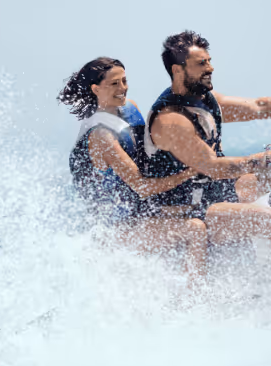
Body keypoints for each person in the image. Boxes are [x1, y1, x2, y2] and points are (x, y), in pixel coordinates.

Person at [144, 31, 271, 279]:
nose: (211, 68)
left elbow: (259, 107)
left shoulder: (205, 100)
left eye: (209, 60)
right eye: (201, 63)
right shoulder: (171, 120)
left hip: (215, 192)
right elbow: (214, 167)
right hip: (187, 210)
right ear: (178, 70)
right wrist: (267, 157)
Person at [58, 57, 209, 286]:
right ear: (96, 89)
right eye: (114, 84)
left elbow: (155, 148)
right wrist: (191, 171)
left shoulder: (130, 109)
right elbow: (142, 187)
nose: (123, 88)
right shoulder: (101, 136)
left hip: (140, 214)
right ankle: (193, 300)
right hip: (114, 232)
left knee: (204, 210)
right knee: (194, 229)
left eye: (124, 81)